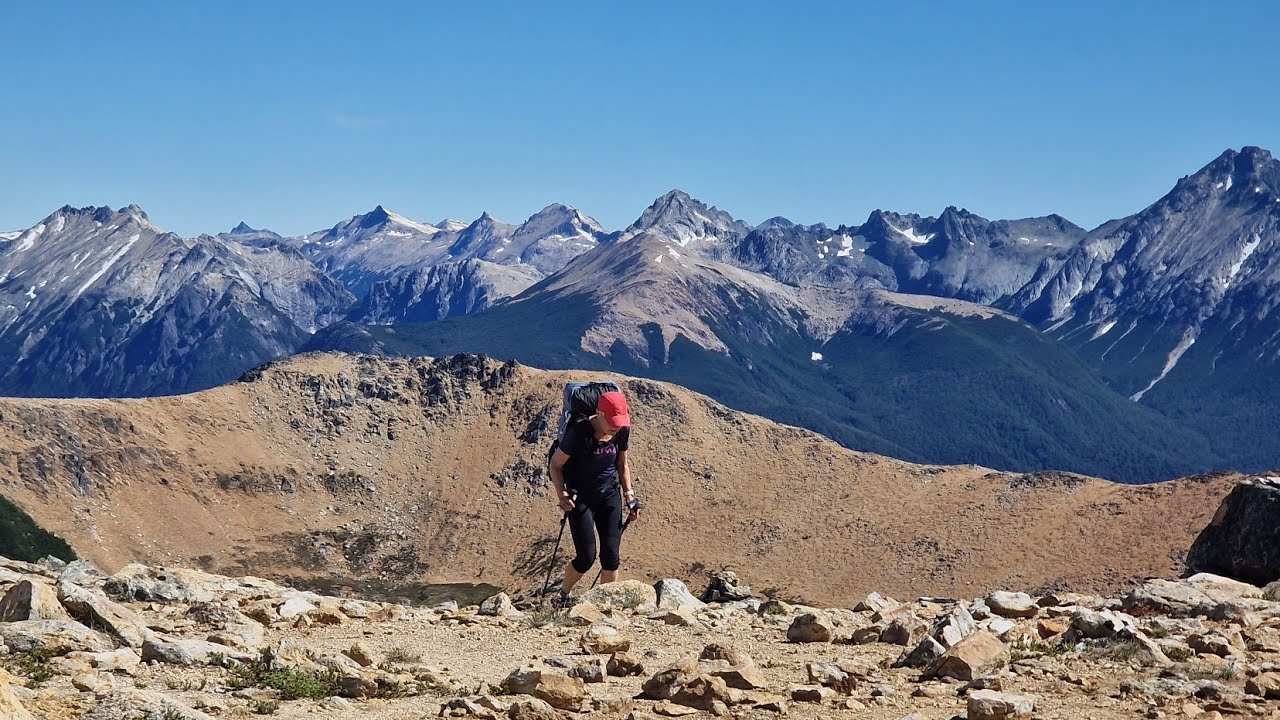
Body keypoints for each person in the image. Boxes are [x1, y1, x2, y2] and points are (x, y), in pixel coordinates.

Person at [548, 389, 640, 607]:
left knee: (611, 556)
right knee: (586, 557)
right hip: (581, 497)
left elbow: (622, 464)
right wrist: (561, 494)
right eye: (612, 421)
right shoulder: (579, 432)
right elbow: (556, 464)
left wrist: (630, 497)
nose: (616, 427)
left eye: (619, 422)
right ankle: (562, 596)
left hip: (609, 495)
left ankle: (604, 606)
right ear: (599, 413)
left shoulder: (621, 431)